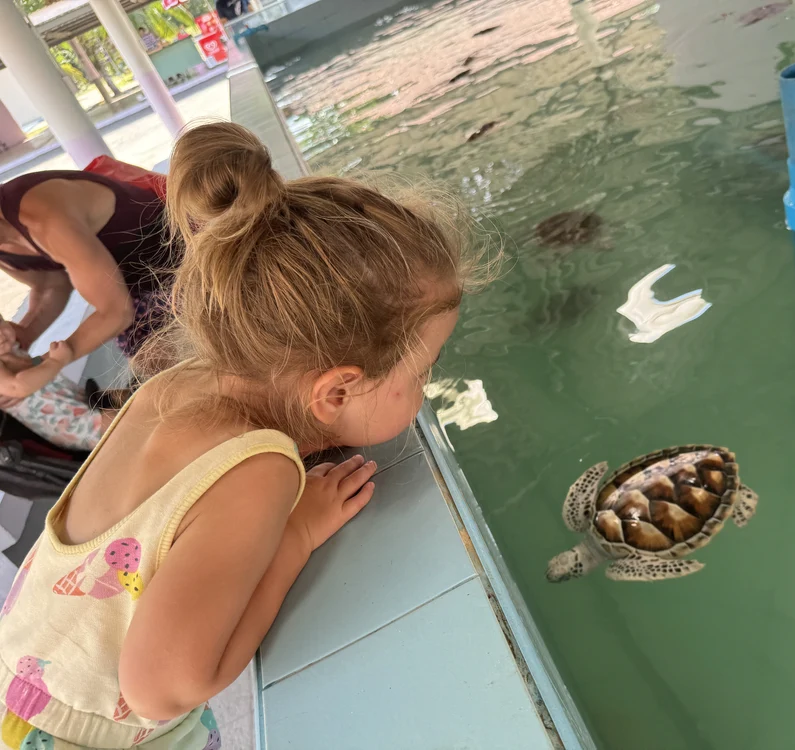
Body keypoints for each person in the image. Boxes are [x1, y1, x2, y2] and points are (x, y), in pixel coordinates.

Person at [0, 122, 486, 748]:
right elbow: (162, 688)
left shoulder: (173, 386)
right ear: (335, 391)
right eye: (422, 372)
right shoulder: (259, 469)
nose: (425, 390)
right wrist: (296, 535)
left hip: (21, 684)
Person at [0, 166, 175, 395]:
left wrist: (44, 365)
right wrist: (24, 336)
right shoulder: (5, 246)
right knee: (154, 364)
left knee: (159, 357)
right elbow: (51, 286)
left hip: (174, 257)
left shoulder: (43, 217)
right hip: (129, 288)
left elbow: (115, 312)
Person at [0, 338, 107, 452]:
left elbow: (32, 364)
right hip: (64, 420)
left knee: (111, 401)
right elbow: (16, 387)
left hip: (77, 399)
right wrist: (56, 361)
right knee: (104, 427)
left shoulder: (13, 348)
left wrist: (43, 361)